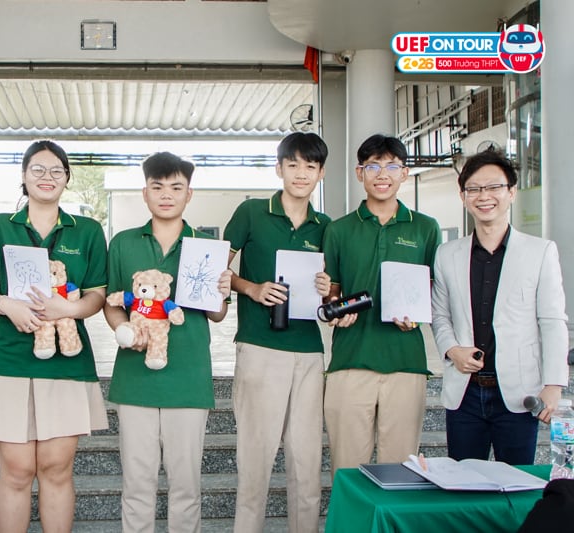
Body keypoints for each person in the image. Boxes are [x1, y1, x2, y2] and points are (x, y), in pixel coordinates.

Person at [0, 140, 108, 532]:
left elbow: (97, 295)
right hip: (7, 360)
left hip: (66, 364)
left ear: (67, 178)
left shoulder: (87, 230)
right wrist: (6, 305)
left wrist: (69, 310)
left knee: (56, 468)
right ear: (24, 176)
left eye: (56, 171)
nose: (47, 177)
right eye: (38, 170)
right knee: (16, 471)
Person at [103, 152, 232, 533]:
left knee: (186, 488)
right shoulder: (124, 243)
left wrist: (222, 291)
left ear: (189, 194)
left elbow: (217, 315)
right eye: (157, 187)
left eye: (176, 188)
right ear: (145, 193)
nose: (166, 195)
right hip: (135, 379)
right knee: (137, 485)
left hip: (189, 378)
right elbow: (111, 302)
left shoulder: (205, 246)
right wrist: (125, 331)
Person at [222, 132, 331, 533]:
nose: (301, 173)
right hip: (260, 346)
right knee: (255, 462)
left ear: (320, 173)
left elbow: (335, 291)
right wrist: (251, 288)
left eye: (310, 166)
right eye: (293, 164)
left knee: (307, 463)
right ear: (279, 168)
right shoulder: (251, 212)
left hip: (308, 351)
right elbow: (218, 268)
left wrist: (329, 289)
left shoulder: (326, 226)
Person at [431, 149, 568, 464]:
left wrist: (554, 384)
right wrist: (452, 349)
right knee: (463, 483)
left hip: (518, 393)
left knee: (517, 483)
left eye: (494, 187)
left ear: (511, 192)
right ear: (463, 196)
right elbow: (440, 314)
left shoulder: (540, 252)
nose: (484, 196)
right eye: (474, 189)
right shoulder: (447, 254)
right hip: (464, 393)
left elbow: (552, 321)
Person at [322, 134, 441, 474]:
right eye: (373, 166)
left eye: (391, 166)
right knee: (347, 469)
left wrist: (417, 317)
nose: (382, 174)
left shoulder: (425, 228)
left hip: (405, 363)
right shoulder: (339, 230)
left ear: (404, 173)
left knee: (401, 471)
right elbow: (331, 290)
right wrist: (335, 308)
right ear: (359, 173)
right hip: (350, 362)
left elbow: (436, 291)